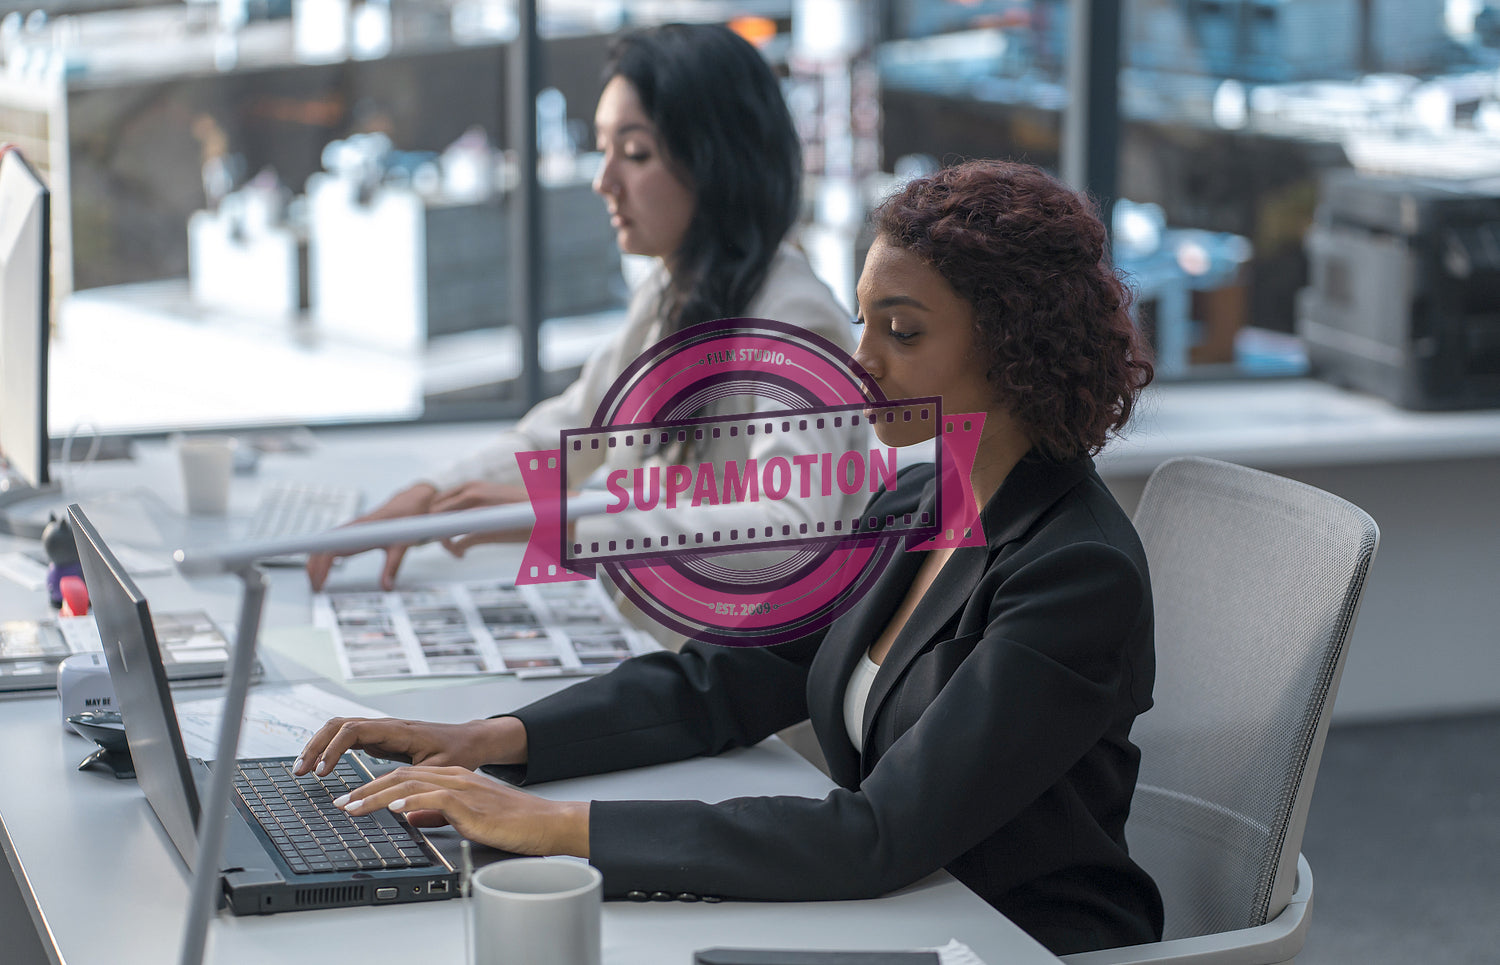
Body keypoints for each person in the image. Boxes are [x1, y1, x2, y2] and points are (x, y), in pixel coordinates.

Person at [295, 159, 1164, 956]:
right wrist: (488, 740)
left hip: (1009, 937)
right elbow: (726, 678)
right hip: (901, 909)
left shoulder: (1074, 570)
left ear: (1013, 344)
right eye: (864, 322)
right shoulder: (915, 500)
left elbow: (879, 834)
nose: (859, 361)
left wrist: (553, 824)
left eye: (901, 331)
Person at [306, 22, 863, 594]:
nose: (604, 181)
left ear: (718, 161)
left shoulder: (794, 318)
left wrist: (565, 518)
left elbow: (789, 529)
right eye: (603, 150)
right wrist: (432, 494)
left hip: (731, 662)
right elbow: (574, 427)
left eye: (635, 153)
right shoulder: (674, 289)